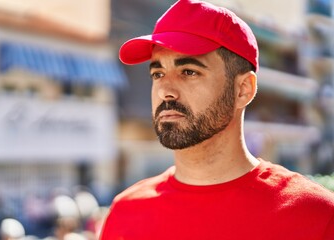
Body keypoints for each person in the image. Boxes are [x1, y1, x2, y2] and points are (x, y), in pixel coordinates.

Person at [100, 0, 334, 239]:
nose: (165, 91)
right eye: (158, 73)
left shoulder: (315, 216)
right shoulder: (124, 213)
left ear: (243, 89)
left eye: (189, 72)